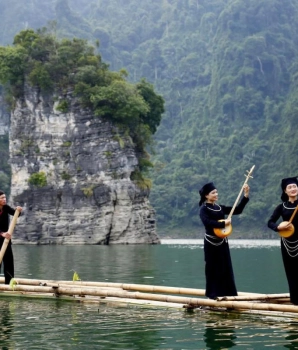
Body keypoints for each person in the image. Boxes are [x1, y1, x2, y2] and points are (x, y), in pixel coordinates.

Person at [199, 182, 250, 299]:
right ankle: (213, 294)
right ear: (206, 195)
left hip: (222, 241)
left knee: (225, 267)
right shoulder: (203, 209)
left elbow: (237, 210)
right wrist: (223, 223)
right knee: (212, 267)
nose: (216, 194)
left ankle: (228, 293)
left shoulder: (219, 207)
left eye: (216, 192)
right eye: (213, 192)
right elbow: (207, 222)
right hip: (210, 242)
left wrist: (245, 195)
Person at [267, 176, 298, 305]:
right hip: (287, 243)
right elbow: (270, 222)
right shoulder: (281, 207)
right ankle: (296, 300)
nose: (293, 189)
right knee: (291, 271)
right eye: (289, 187)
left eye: (295, 186)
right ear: (285, 191)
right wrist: (278, 227)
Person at [0, 190, 22, 284]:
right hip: (0, 237)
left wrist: (18, 210)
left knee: (9, 262)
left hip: (6, 240)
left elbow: (15, 214)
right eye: (2, 198)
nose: (4, 199)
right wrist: (1, 233)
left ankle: (9, 283)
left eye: (5, 197)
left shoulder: (6, 208)